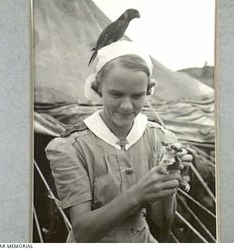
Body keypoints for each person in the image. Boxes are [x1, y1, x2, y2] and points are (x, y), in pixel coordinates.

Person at [45, 41, 193, 243]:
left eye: (137, 96)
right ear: (98, 89)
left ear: (148, 91)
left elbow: (162, 222)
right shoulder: (70, 147)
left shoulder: (161, 139)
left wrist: (170, 179)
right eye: (116, 94)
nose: (126, 106)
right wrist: (139, 194)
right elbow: (83, 233)